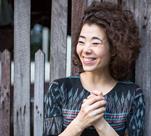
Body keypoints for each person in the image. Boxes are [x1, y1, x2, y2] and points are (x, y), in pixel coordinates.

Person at [43, 1, 145, 136]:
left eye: (95, 43)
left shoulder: (132, 94)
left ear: (115, 48)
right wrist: (80, 122)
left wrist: (100, 122)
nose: (86, 50)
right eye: (81, 42)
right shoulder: (59, 89)